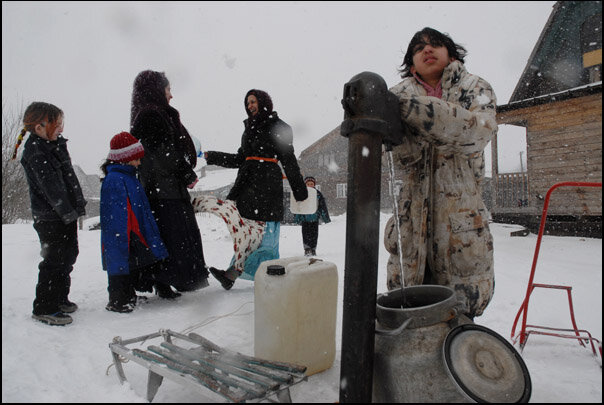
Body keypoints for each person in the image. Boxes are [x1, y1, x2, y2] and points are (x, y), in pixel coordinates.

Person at [384, 27, 497, 319]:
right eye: (419, 47)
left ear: (450, 54)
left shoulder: (475, 87)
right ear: (411, 64)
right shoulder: (394, 98)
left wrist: (415, 111)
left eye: (435, 44)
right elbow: (398, 149)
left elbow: (477, 132)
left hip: (459, 216)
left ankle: (458, 350)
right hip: (412, 217)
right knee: (410, 310)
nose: (427, 50)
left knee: (459, 313)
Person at [203, 89, 308, 290]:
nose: (250, 105)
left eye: (253, 101)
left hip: (267, 187)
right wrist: (211, 156)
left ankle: (270, 275)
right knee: (249, 234)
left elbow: (289, 161)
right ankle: (231, 274)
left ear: (263, 102)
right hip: (248, 186)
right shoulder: (249, 128)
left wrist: (300, 191)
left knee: (267, 236)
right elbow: (239, 158)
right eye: (247, 102)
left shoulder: (279, 127)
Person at [130, 70, 209, 295]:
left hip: (160, 189)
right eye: (167, 89)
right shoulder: (152, 115)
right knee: (174, 238)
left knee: (164, 237)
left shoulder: (150, 114)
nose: (171, 95)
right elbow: (165, 153)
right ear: (156, 90)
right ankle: (168, 279)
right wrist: (187, 173)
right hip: (164, 190)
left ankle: (163, 281)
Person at [14, 102, 87, 326]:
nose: (61, 129)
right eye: (57, 124)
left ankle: (59, 298)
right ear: (39, 127)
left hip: (65, 214)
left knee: (68, 256)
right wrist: (66, 211)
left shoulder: (55, 146)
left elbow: (68, 179)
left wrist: (75, 208)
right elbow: (51, 188)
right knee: (54, 260)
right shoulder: (36, 151)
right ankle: (44, 306)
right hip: (50, 217)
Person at [100, 132, 170, 313]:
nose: (139, 163)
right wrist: (128, 232)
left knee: (128, 262)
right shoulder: (115, 179)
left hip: (132, 228)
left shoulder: (128, 177)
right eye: (136, 159)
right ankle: (118, 300)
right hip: (124, 230)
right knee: (120, 259)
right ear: (125, 159)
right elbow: (117, 212)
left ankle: (127, 294)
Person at [293, 176, 331, 256]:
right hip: (305, 218)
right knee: (305, 234)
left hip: (314, 218)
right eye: (308, 184)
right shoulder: (302, 193)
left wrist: (325, 218)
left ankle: (313, 248)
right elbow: (298, 206)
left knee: (314, 234)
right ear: (305, 185)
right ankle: (307, 249)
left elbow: (322, 206)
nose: (310, 185)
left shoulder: (317, 194)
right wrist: (297, 217)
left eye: (311, 184)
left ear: (314, 185)